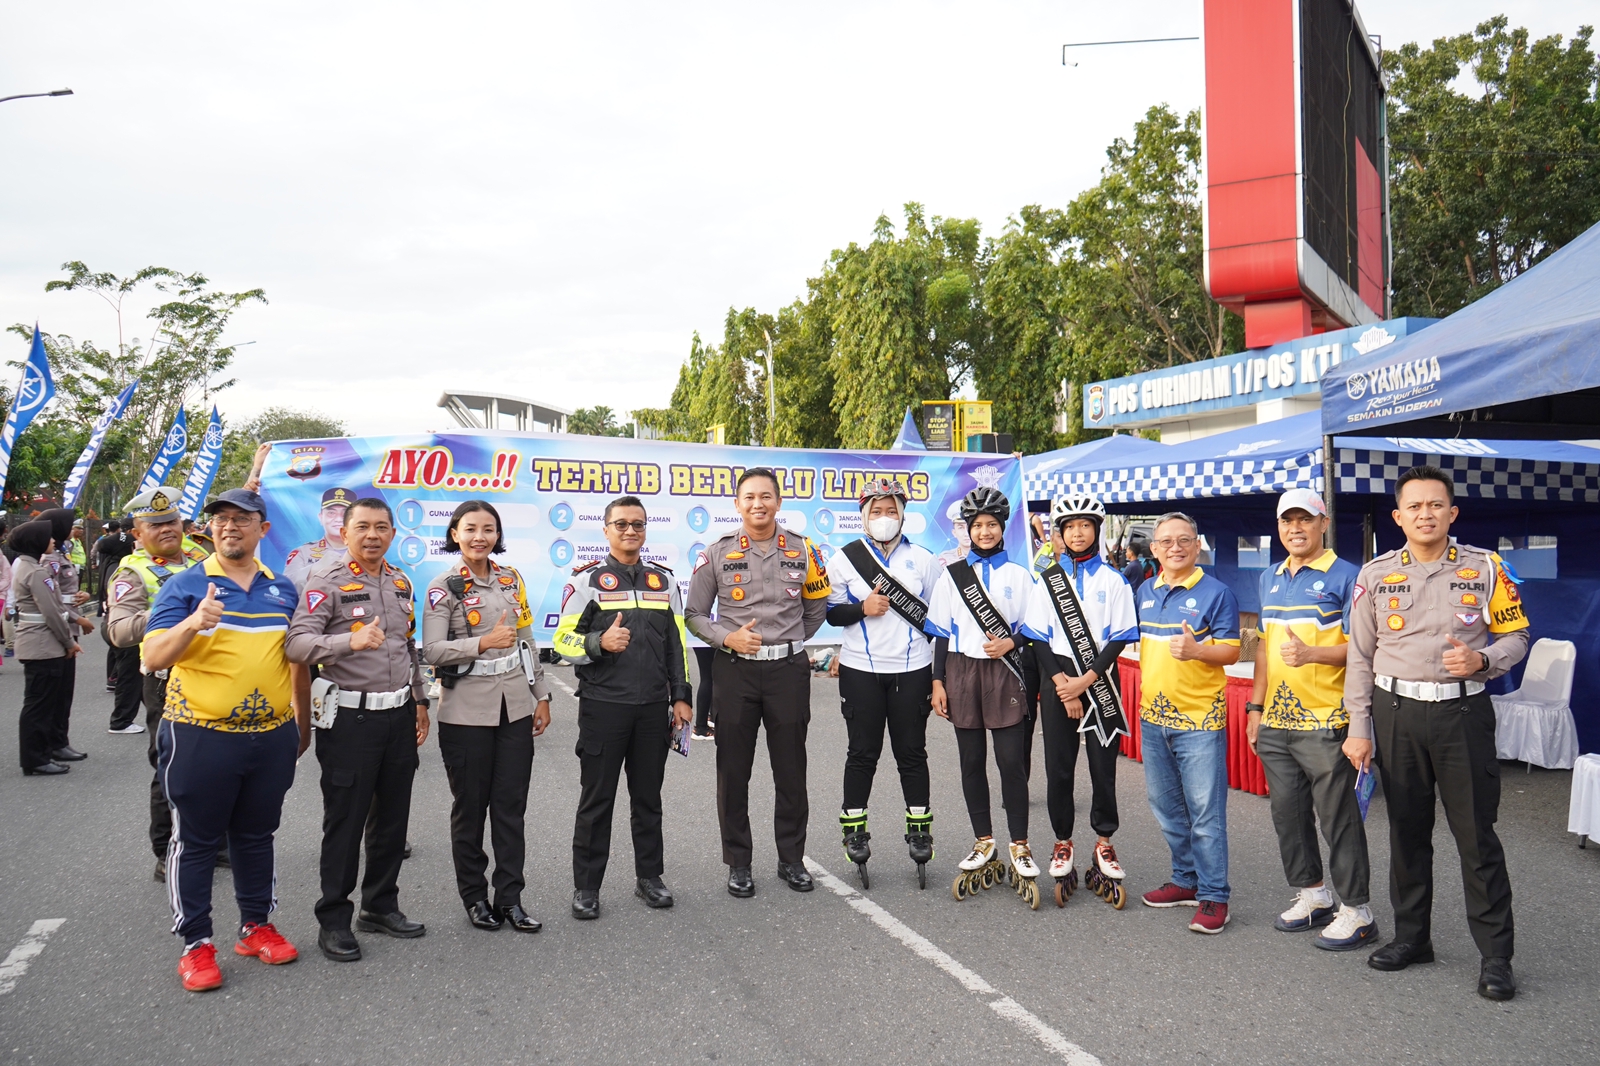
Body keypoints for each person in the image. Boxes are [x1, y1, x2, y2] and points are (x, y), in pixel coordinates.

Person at [1343, 466, 1530, 1000]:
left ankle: (1496, 957)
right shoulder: (1375, 575)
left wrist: (1483, 659)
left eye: (1435, 505)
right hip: (1395, 712)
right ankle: (1412, 938)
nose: (1426, 514)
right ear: (1399, 517)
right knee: (1406, 833)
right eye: (1415, 507)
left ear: (1452, 512)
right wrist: (1359, 726)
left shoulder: (1487, 567)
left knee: (1476, 836)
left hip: (1461, 715)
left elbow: (1517, 632)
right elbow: (1360, 656)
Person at [143, 487, 307, 992]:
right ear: (210, 529)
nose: (230, 527)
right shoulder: (187, 585)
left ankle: (255, 925)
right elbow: (153, 657)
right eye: (221, 520)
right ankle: (196, 944)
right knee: (195, 840)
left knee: (257, 836)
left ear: (264, 529)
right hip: (199, 736)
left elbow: (296, 659)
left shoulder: (283, 589)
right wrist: (195, 621)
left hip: (270, 736)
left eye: (242, 519)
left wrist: (302, 722)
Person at [286, 497, 430, 962]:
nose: (372, 535)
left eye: (381, 527)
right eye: (363, 527)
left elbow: (409, 648)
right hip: (350, 719)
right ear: (345, 532)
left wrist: (421, 700)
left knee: (392, 819)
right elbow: (297, 643)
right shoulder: (325, 581)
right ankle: (333, 920)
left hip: (398, 714)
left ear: (392, 533)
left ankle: (380, 905)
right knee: (345, 822)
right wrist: (348, 640)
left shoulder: (400, 581)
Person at [684, 467, 830, 897]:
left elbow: (816, 606)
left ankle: (791, 859)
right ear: (737, 504)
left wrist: (789, 641)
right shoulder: (715, 553)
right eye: (749, 497)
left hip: (788, 671)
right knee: (733, 771)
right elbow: (694, 614)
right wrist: (727, 637)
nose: (758, 504)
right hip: (735, 672)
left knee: (791, 770)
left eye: (766, 496)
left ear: (779, 502)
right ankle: (739, 863)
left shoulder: (805, 551)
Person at [1245, 489, 1376, 950]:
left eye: (1305, 519)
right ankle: (1313, 895)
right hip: (1278, 721)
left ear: (1324, 523)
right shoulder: (1270, 577)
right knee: (1288, 814)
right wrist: (1255, 708)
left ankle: (1358, 910)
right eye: (1287, 521)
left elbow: (1365, 647)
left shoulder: (1348, 576)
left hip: (1326, 719)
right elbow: (1262, 648)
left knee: (1337, 818)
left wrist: (1312, 653)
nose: (1295, 529)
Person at [554, 495, 692, 918]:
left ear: (645, 530)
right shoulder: (586, 581)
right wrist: (599, 642)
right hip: (603, 707)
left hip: (652, 708)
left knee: (648, 799)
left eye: (637, 524)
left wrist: (682, 696)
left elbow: (677, 645)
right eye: (621, 524)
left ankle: (649, 878)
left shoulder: (664, 583)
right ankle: (587, 888)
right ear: (606, 530)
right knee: (597, 800)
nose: (630, 530)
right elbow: (561, 643)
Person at [422, 500, 552, 933]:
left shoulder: (511, 579)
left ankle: (511, 898)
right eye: (471, 528)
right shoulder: (445, 587)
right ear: (455, 533)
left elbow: (527, 638)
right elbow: (433, 651)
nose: (481, 536)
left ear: (498, 535)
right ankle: (475, 897)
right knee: (471, 808)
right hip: (465, 712)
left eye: (489, 529)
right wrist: (481, 643)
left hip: (514, 705)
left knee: (511, 809)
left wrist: (543, 694)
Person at [822, 477, 940, 888]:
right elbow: (831, 614)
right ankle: (854, 831)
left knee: (912, 754)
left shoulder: (924, 560)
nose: (885, 517)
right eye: (877, 511)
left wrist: (938, 678)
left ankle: (920, 830)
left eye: (891, 510)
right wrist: (862, 607)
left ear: (903, 514)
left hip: (913, 669)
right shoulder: (843, 560)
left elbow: (938, 625)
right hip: (860, 670)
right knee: (862, 753)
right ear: (864, 516)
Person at [926, 487, 1042, 902]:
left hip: (1006, 673)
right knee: (971, 761)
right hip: (960, 672)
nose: (986, 531)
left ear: (1002, 527)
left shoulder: (1020, 575)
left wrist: (1011, 643)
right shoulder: (952, 575)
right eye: (978, 525)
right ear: (968, 531)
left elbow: (1035, 627)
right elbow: (939, 632)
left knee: (1011, 762)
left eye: (992, 524)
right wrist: (937, 682)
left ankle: (1020, 844)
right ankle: (984, 840)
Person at [1023, 492, 1139, 904]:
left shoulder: (1114, 580)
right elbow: (1037, 637)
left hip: (1101, 683)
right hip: (1059, 686)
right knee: (1059, 769)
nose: (1077, 532)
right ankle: (1063, 840)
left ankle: (1104, 840)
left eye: (1084, 525)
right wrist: (1063, 685)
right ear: (1060, 533)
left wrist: (1084, 682)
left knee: (1103, 768)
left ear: (1096, 529)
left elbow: (1121, 638)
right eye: (1069, 526)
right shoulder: (1048, 579)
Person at [1134, 511, 1241, 934]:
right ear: (1155, 549)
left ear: (1198, 546)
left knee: (1205, 812)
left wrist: (1198, 651)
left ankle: (1215, 896)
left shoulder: (1217, 593)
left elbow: (1232, 651)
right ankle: (1186, 881)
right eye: (1166, 541)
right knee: (1166, 808)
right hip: (1152, 717)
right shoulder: (1145, 589)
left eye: (1184, 540)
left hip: (1199, 719)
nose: (1175, 547)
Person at [106, 488, 210, 878]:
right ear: (137, 532)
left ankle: (209, 842)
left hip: (213, 676)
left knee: (214, 764)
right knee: (171, 765)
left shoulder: (202, 557)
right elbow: (118, 632)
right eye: (156, 525)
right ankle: (167, 850)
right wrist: (170, 610)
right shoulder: (132, 572)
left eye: (172, 522)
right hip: (167, 682)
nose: (168, 530)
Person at [12, 521, 81, 776]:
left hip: (36, 644)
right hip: (43, 645)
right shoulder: (37, 572)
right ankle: (36, 758)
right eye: (47, 538)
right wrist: (68, 642)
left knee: (39, 703)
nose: (52, 541)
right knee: (39, 706)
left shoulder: (29, 567)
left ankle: (39, 755)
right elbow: (52, 613)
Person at [37, 508, 95, 761]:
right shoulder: (48, 559)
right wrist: (77, 617)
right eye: (70, 526)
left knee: (65, 692)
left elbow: (66, 593)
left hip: (68, 622)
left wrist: (84, 596)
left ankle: (60, 739)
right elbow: (50, 599)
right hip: (59, 627)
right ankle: (52, 742)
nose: (75, 529)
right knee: (56, 694)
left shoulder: (62, 552)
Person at [282, 486, 354, 587]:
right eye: (331, 513)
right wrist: (312, 571)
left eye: (345, 513)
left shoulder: (367, 553)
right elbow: (285, 588)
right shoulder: (303, 553)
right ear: (321, 518)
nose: (338, 519)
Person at [935, 499, 971, 570]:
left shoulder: (987, 557)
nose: (966, 533)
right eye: (961, 527)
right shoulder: (946, 559)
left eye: (969, 527)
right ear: (954, 533)